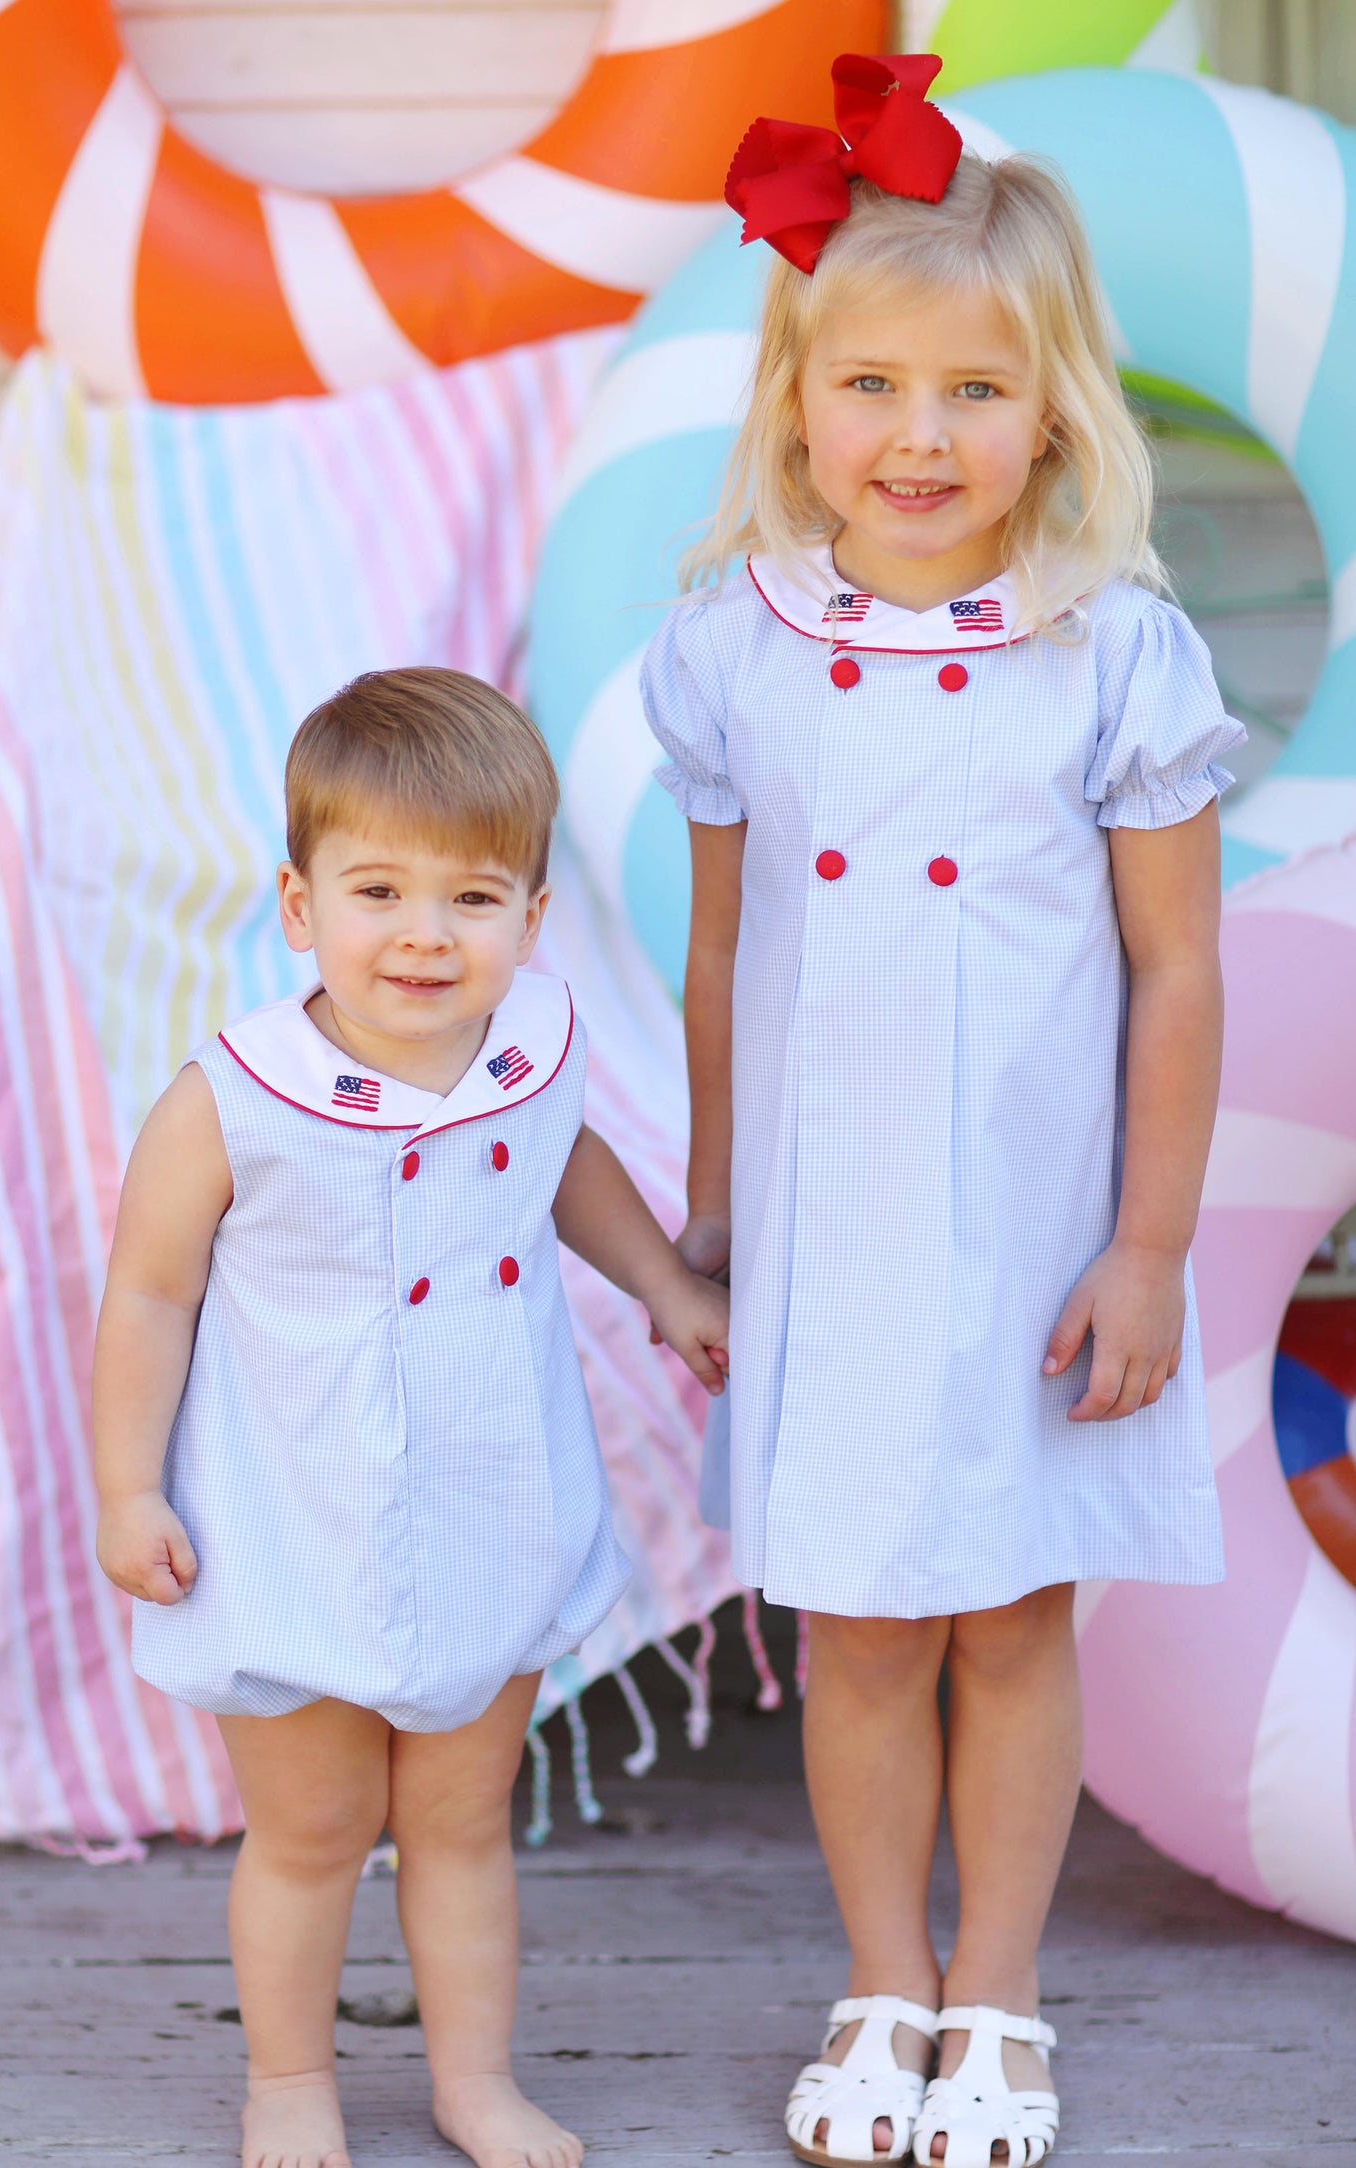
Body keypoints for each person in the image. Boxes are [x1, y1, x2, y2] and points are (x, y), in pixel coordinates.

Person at [641, 53, 1242, 2168]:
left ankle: (1000, 1995)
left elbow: (1177, 968)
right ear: (800, 399)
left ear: (1056, 410)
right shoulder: (734, 650)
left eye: (974, 394)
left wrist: (1151, 1239)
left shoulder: (1116, 657)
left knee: (1010, 1612)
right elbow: (722, 954)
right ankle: (881, 1973)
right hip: (832, 1225)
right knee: (862, 1620)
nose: (919, 437)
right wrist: (714, 1207)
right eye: (873, 385)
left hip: (1031, 1230)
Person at [93, 667, 730, 2168]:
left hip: (486, 1501)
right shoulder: (238, 1095)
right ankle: (292, 2087)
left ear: (528, 914)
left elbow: (567, 1169)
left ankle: (473, 2080)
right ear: (301, 906)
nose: (426, 936)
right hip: (293, 1519)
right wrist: (130, 1489)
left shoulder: (533, 1047)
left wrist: (662, 1285)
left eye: (473, 897)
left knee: (458, 1823)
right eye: (378, 890)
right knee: (312, 1832)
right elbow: (147, 1296)